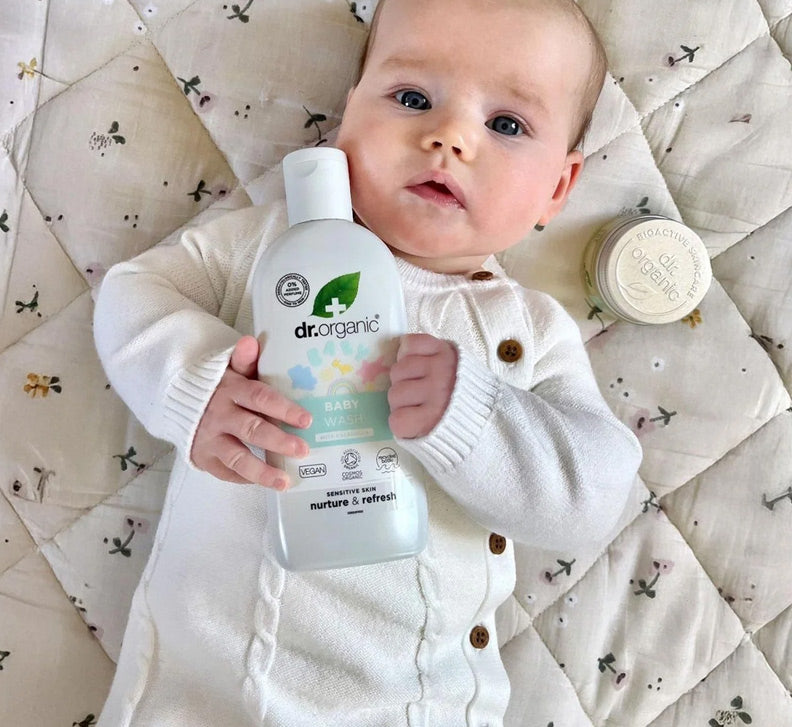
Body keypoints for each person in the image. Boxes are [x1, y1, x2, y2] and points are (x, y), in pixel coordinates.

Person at [93, 0, 642, 724]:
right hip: (208, 690)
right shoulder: (270, 245)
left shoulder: (527, 330)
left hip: (417, 701)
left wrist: (477, 414)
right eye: (412, 98)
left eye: (505, 124)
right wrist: (198, 385)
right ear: (347, 118)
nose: (448, 137)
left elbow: (594, 494)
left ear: (558, 190)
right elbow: (134, 292)